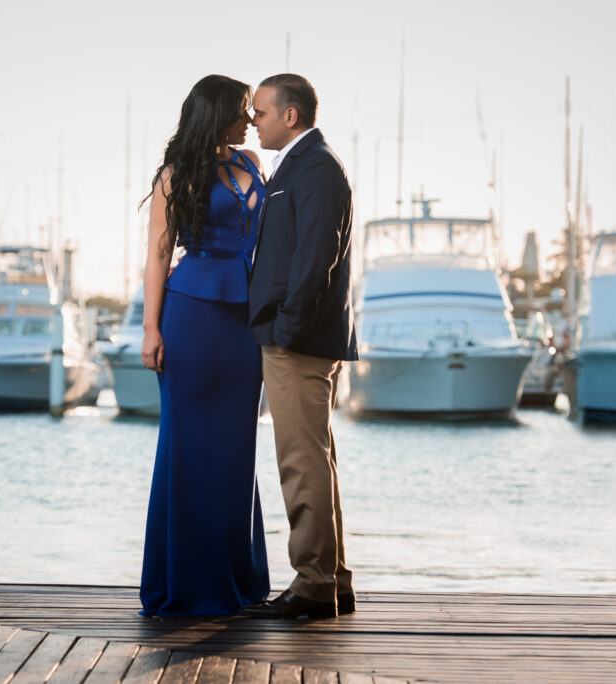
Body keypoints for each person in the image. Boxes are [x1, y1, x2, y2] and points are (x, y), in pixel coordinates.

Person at [138, 74, 271, 616]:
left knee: (237, 451)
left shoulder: (252, 164)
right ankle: (189, 586)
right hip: (190, 317)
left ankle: (237, 581)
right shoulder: (176, 175)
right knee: (187, 449)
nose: (251, 120)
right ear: (216, 113)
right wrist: (151, 330)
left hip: (245, 322)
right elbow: (157, 255)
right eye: (243, 110)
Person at [241, 74, 358, 620]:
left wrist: (285, 329)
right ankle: (331, 578)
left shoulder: (316, 168)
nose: (253, 122)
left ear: (290, 115)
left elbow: (316, 258)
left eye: (261, 113)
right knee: (315, 456)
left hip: (299, 341)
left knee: (300, 460)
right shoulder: (305, 165)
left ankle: (313, 584)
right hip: (303, 336)